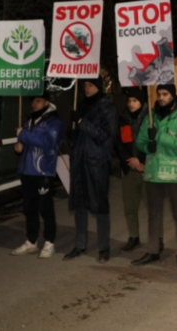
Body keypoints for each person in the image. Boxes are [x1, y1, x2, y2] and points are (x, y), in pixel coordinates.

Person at [132, 84, 177, 270]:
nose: (161, 97)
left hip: (174, 174)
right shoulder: (151, 116)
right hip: (153, 173)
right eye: (158, 94)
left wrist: (158, 136)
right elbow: (141, 140)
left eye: (165, 94)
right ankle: (152, 250)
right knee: (153, 215)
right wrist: (145, 147)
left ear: (173, 95)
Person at [63, 77, 116, 264]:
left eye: (91, 85)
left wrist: (81, 121)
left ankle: (103, 248)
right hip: (79, 160)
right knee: (79, 203)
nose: (86, 88)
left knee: (100, 205)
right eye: (84, 84)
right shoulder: (81, 106)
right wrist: (71, 131)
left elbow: (103, 135)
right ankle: (79, 244)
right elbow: (77, 136)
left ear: (99, 87)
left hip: (96, 162)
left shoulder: (106, 108)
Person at [10, 92, 63, 259]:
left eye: (38, 100)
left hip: (43, 171)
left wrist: (24, 134)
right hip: (27, 171)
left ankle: (49, 242)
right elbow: (28, 144)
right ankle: (31, 241)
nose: (34, 104)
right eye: (32, 101)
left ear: (47, 102)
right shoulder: (30, 121)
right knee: (29, 208)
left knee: (45, 207)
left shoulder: (54, 122)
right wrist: (20, 147)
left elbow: (49, 143)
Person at [114, 87, 148, 252]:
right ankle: (133, 237)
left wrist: (141, 161)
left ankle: (156, 239)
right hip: (129, 168)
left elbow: (152, 141)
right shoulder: (123, 118)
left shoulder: (150, 119)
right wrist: (129, 161)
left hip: (146, 168)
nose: (131, 104)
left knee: (152, 207)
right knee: (130, 207)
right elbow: (119, 142)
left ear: (142, 102)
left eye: (135, 101)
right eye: (129, 101)